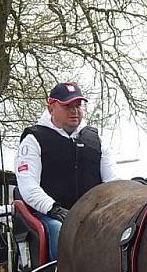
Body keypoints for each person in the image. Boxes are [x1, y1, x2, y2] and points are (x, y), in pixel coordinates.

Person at [14, 82, 117, 261]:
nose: (74, 111)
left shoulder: (96, 139)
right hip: (50, 215)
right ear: (51, 107)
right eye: (67, 106)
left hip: (92, 213)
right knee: (57, 229)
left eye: (78, 106)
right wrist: (54, 209)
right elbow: (28, 187)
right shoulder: (33, 139)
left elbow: (112, 182)